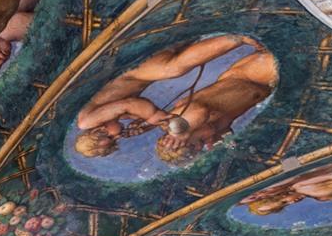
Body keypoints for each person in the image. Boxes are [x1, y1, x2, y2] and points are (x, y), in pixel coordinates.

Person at [74, 35, 276, 163]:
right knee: (175, 61)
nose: (118, 136)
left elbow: (128, 104)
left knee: (174, 68)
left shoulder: (86, 121)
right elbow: (131, 109)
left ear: (98, 132)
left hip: (132, 73)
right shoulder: (107, 118)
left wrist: (153, 117)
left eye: (111, 138)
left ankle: (236, 38)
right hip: (141, 76)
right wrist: (144, 123)